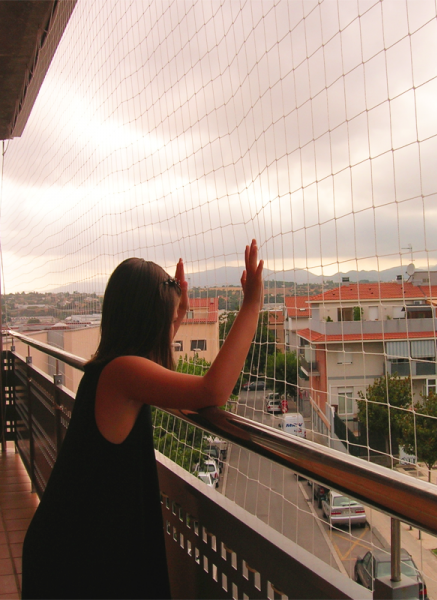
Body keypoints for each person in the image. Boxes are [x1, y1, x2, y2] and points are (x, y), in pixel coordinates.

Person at [21, 240, 264, 600]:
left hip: (70, 548)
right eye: (169, 318)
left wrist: (177, 310)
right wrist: (252, 305)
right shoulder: (123, 373)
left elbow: (161, 361)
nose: (173, 325)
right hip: (77, 561)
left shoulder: (113, 369)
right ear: (150, 319)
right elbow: (212, 392)